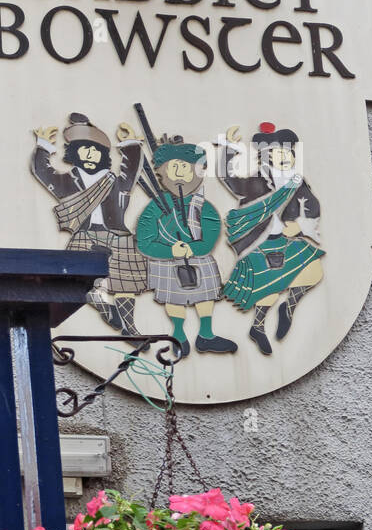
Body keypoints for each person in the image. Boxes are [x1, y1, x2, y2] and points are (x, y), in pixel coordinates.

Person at [31, 113, 149, 335]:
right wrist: (44, 147)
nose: (91, 154)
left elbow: (131, 171)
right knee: (80, 281)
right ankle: (103, 306)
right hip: (84, 234)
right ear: (74, 153)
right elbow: (43, 173)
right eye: (85, 149)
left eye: (95, 150)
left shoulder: (116, 181)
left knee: (126, 284)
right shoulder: (68, 180)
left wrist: (131, 144)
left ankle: (129, 328)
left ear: (103, 154)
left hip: (118, 235)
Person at [219, 123, 325, 354]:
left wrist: (299, 225)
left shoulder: (296, 182)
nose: (284, 157)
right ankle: (257, 327)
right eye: (278, 153)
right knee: (269, 290)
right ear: (267, 157)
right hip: (260, 242)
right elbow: (228, 178)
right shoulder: (256, 182)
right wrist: (228, 148)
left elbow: (313, 206)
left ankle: (288, 307)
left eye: (287, 153)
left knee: (314, 270)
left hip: (287, 239)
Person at [133, 141, 237, 359]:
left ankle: (206, 334)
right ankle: (178, 334)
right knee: (173, 299)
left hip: (197, 258)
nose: (179, 174)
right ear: (162, 172)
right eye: (174, 167)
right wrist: (171, 251)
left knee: (206, 296)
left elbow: (210, 233)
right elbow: (145, 239)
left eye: (185, 168)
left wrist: (193, 248)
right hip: (166, 262)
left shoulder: (203, 206)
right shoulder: (155, 207)